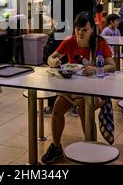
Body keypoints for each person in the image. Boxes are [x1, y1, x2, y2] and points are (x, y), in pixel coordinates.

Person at [41, 12, 116, 164]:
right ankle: (56, 147)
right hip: (73, 88)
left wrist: (96, 69)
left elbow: (112, 66)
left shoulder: (99, 43)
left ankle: (92, 150)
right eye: (78, 29)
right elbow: (52, 57)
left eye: (85, 30)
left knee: (84, 110)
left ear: (92, 30)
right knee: (57, 110)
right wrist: (52, 61)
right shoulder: (70, 41)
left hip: (95, 89)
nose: (80, 33)